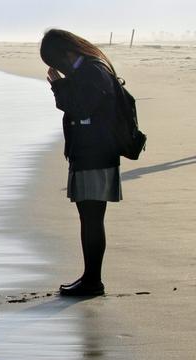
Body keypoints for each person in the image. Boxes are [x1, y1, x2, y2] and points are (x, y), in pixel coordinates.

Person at [40, 29, 123, 296]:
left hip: (95, 154)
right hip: (92, 152)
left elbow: (80, 107)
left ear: (65, 53)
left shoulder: (92, 70)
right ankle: (90, 278)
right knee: (89, 218)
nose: (58, 68)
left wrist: (57, 85)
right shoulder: (89, 68)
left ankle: (93, 281)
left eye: (55, 62)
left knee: (91, 219)